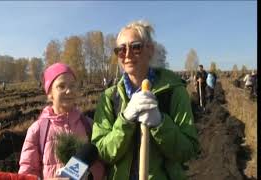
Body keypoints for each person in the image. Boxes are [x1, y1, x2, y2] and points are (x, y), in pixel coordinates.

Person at [91, 20, 199, 180]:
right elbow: (103, 152)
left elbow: (187, 151)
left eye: (135, 47)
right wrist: (125, 120)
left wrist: (161, 124)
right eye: (120, 49)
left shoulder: (174, 92)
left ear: (150, 49)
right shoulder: (109, 98)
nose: (127, 54)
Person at [18, 63, 105, 179]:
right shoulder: (37, 130)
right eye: (61, 86)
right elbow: (27, 172)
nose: (68, 91)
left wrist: (90, 176)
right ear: (49, 94)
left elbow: (102, 163)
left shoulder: (88, 125)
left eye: (72, 86)